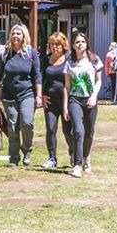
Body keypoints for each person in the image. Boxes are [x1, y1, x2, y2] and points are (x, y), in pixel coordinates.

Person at [0, 24, 42, 167]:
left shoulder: (31, 54)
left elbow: (37, 76)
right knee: (12, 127)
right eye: (13, 33)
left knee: (27, 123)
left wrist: (39, 96)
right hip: (8, 95)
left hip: (27, 94)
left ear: (24, 36)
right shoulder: (6, 54)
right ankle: (13, 157)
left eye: (18, 33)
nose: (15, 36)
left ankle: (27, 150)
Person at [64, 32, 103, 177]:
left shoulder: (94, 60)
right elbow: (67, 86)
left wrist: (94, 96)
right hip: (75, 99)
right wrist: (65, 105)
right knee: (78, 131)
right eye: (77, 42)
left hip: (90, 99)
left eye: (82, 42)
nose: (80, 44)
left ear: (87, 44)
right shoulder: (69, 63)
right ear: (73, 46)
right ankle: (77, 164)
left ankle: (86, 157)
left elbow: (99, 81)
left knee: (89, 132)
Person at [42, 32, 72, 169]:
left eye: (58, 45)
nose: (55, 47)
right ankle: (52, 158)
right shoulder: (45, 60)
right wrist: (42, 94)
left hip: (67, 101)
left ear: (63, 46)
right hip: (50, 101)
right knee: (51, 128)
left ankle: (73, 153)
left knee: (68, 131)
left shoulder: (69, 60)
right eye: (52, 45)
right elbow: (39, 78)